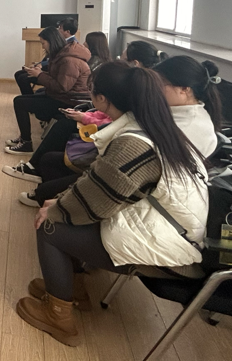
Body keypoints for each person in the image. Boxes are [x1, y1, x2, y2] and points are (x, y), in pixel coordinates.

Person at [15, 62, 208, 346]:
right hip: (165, 229)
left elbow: (93, 204)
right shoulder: (153, 125)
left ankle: (58, 315)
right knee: (60, 207)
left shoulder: (134, 143)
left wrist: (55, 208)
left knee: (50, 224)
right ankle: (71, 288)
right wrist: (61, 201)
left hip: (170, 249)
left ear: (102, 99)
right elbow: (97, 185)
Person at [16, 56, 223, 207]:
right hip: (138, 179)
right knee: (54, 161)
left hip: (148, 192)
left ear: (185, 90)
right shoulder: (176, 113)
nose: (156, 90)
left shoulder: (188, 125)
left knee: (53, 173)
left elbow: (130, 164)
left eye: (161, 85)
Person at [5, 27, 91, 154]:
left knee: (20, 102)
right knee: (20, 100)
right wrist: (39, 73)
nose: (43, 47)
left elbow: (62, 87)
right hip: (62, 97)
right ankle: (24, 139)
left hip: (69, 102)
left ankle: (26, 143)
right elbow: (58, 79)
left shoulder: (69, 60)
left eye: (43, 43)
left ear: (52, 41)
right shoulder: (63, 55)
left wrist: (39, 75)